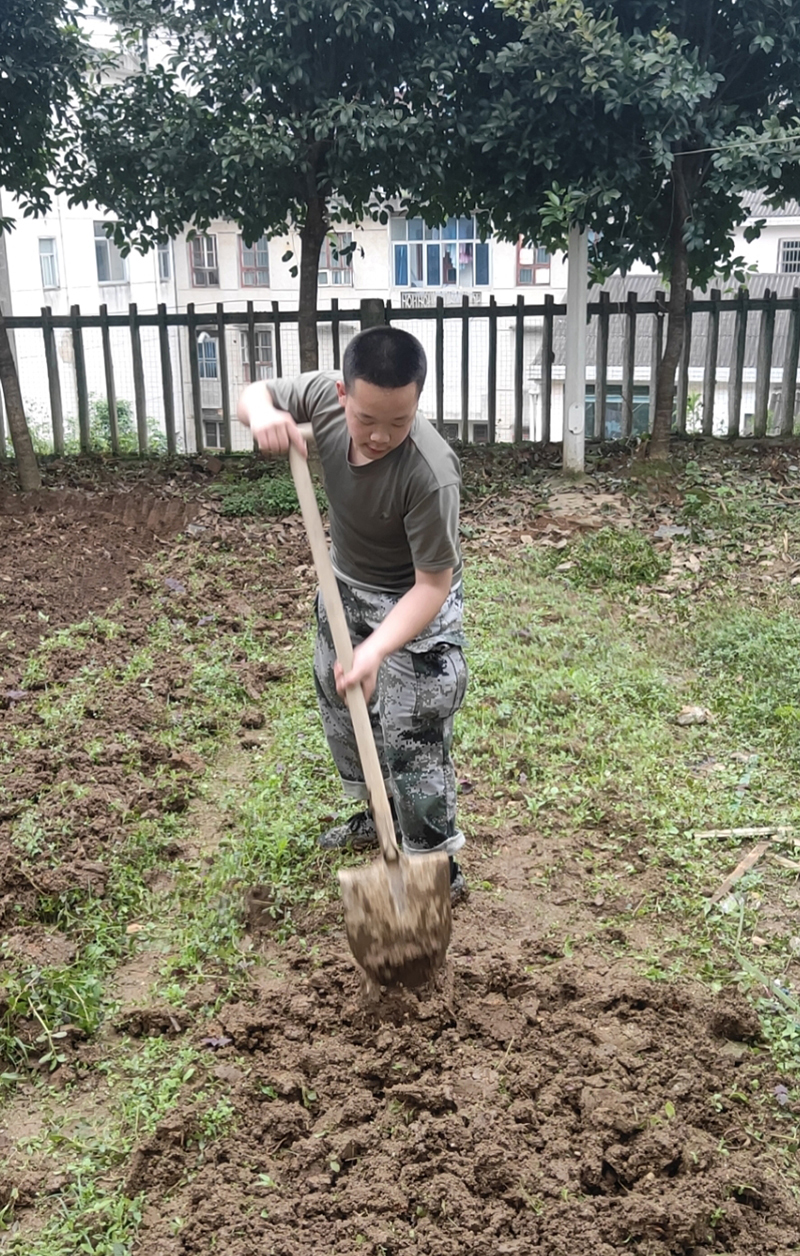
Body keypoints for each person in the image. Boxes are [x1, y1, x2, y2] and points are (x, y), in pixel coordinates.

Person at [237, 326, 468, 905]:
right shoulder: (322, 398)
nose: (382, 435)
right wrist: (263, 412)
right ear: (342, 393)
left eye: (400, 420)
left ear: (418, 400)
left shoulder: (430, 471)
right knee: (346, 718)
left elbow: (432, 586)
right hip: (344, 590)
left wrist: (375, 650)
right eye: (368, 419)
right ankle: (378, 815)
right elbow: (251, 392)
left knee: (414, 737)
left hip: (412, 609)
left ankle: (435, 865)